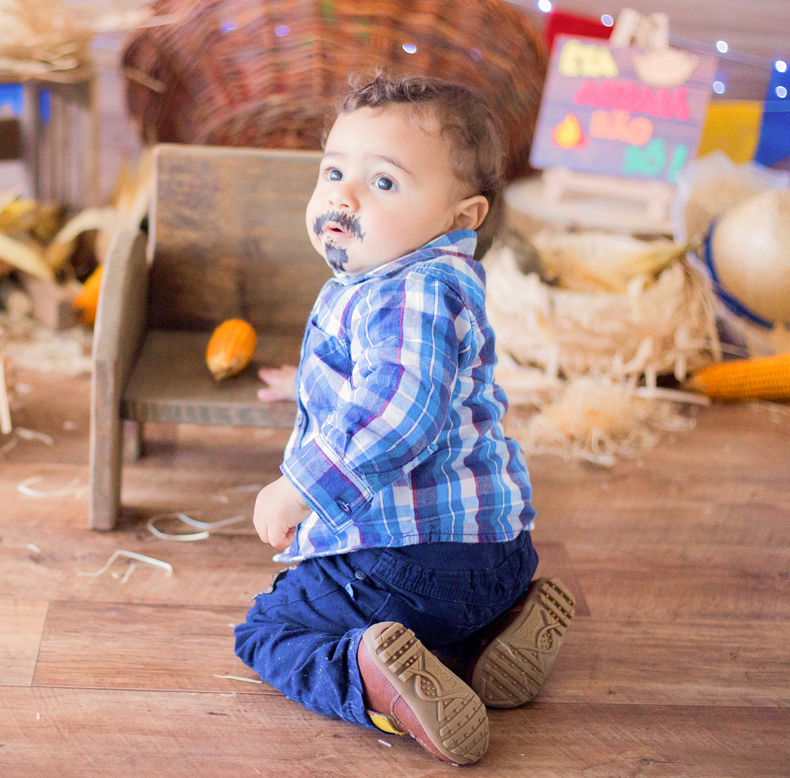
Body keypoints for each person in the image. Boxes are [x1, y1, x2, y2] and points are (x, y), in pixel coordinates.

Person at [234, 73, 575, 765]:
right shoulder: (434, 283)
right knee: (437, 611)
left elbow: (400, 413)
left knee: (269, 629)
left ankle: (371, 681)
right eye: (334, 171)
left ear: (460, 216)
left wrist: (301, 486)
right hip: (499, 557)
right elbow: (404, 378)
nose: (344, 196)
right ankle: (493, 632)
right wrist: (311, 382)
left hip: (402, 568)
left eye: (384, 182)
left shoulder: (406, 292)